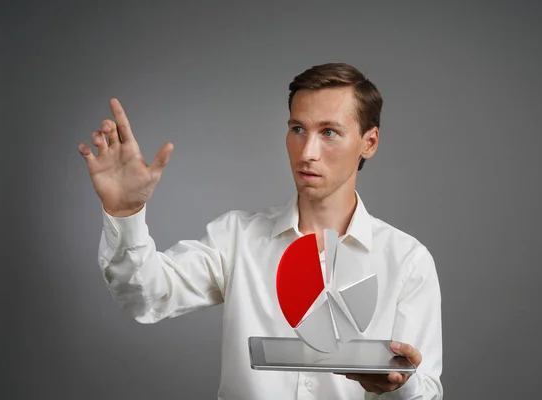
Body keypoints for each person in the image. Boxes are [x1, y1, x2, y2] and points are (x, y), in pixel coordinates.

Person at [78, 63, 443, 400]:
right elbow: (146, 296)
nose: (308, 152)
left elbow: (425, 391)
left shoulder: (406, 261)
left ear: (369, 142)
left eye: (329, 132)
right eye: (298, 129)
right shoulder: (238, 238)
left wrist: (397, 387)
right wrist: (125, 213)